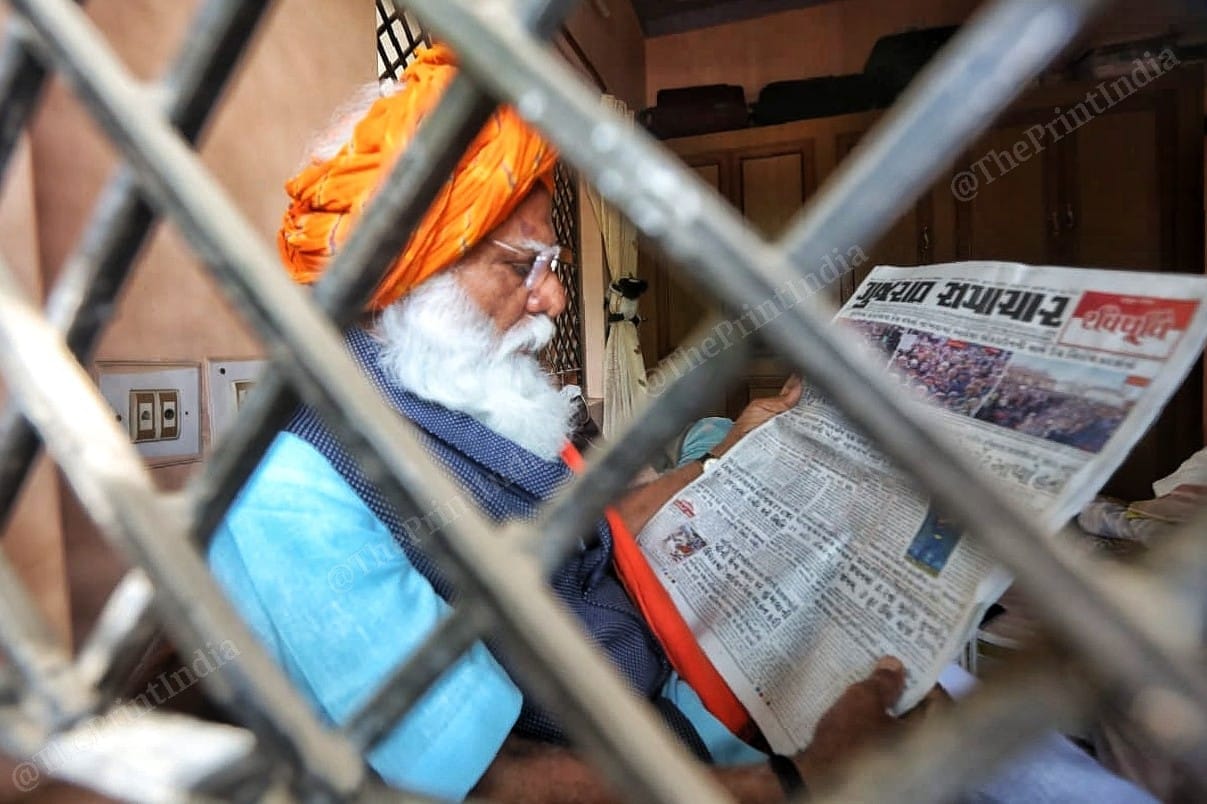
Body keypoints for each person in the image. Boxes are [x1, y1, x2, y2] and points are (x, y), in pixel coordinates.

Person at [209, 46, 1156, 802]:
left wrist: (740, 455)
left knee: (975, 721)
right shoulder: (289, 493)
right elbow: (491, 784)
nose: (552, 299)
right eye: (520, 264)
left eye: (551, 264)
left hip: (691, 686)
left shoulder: (463, 389)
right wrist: (799, 782)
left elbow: (588, 533)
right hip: (666, 766)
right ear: (401, 273)